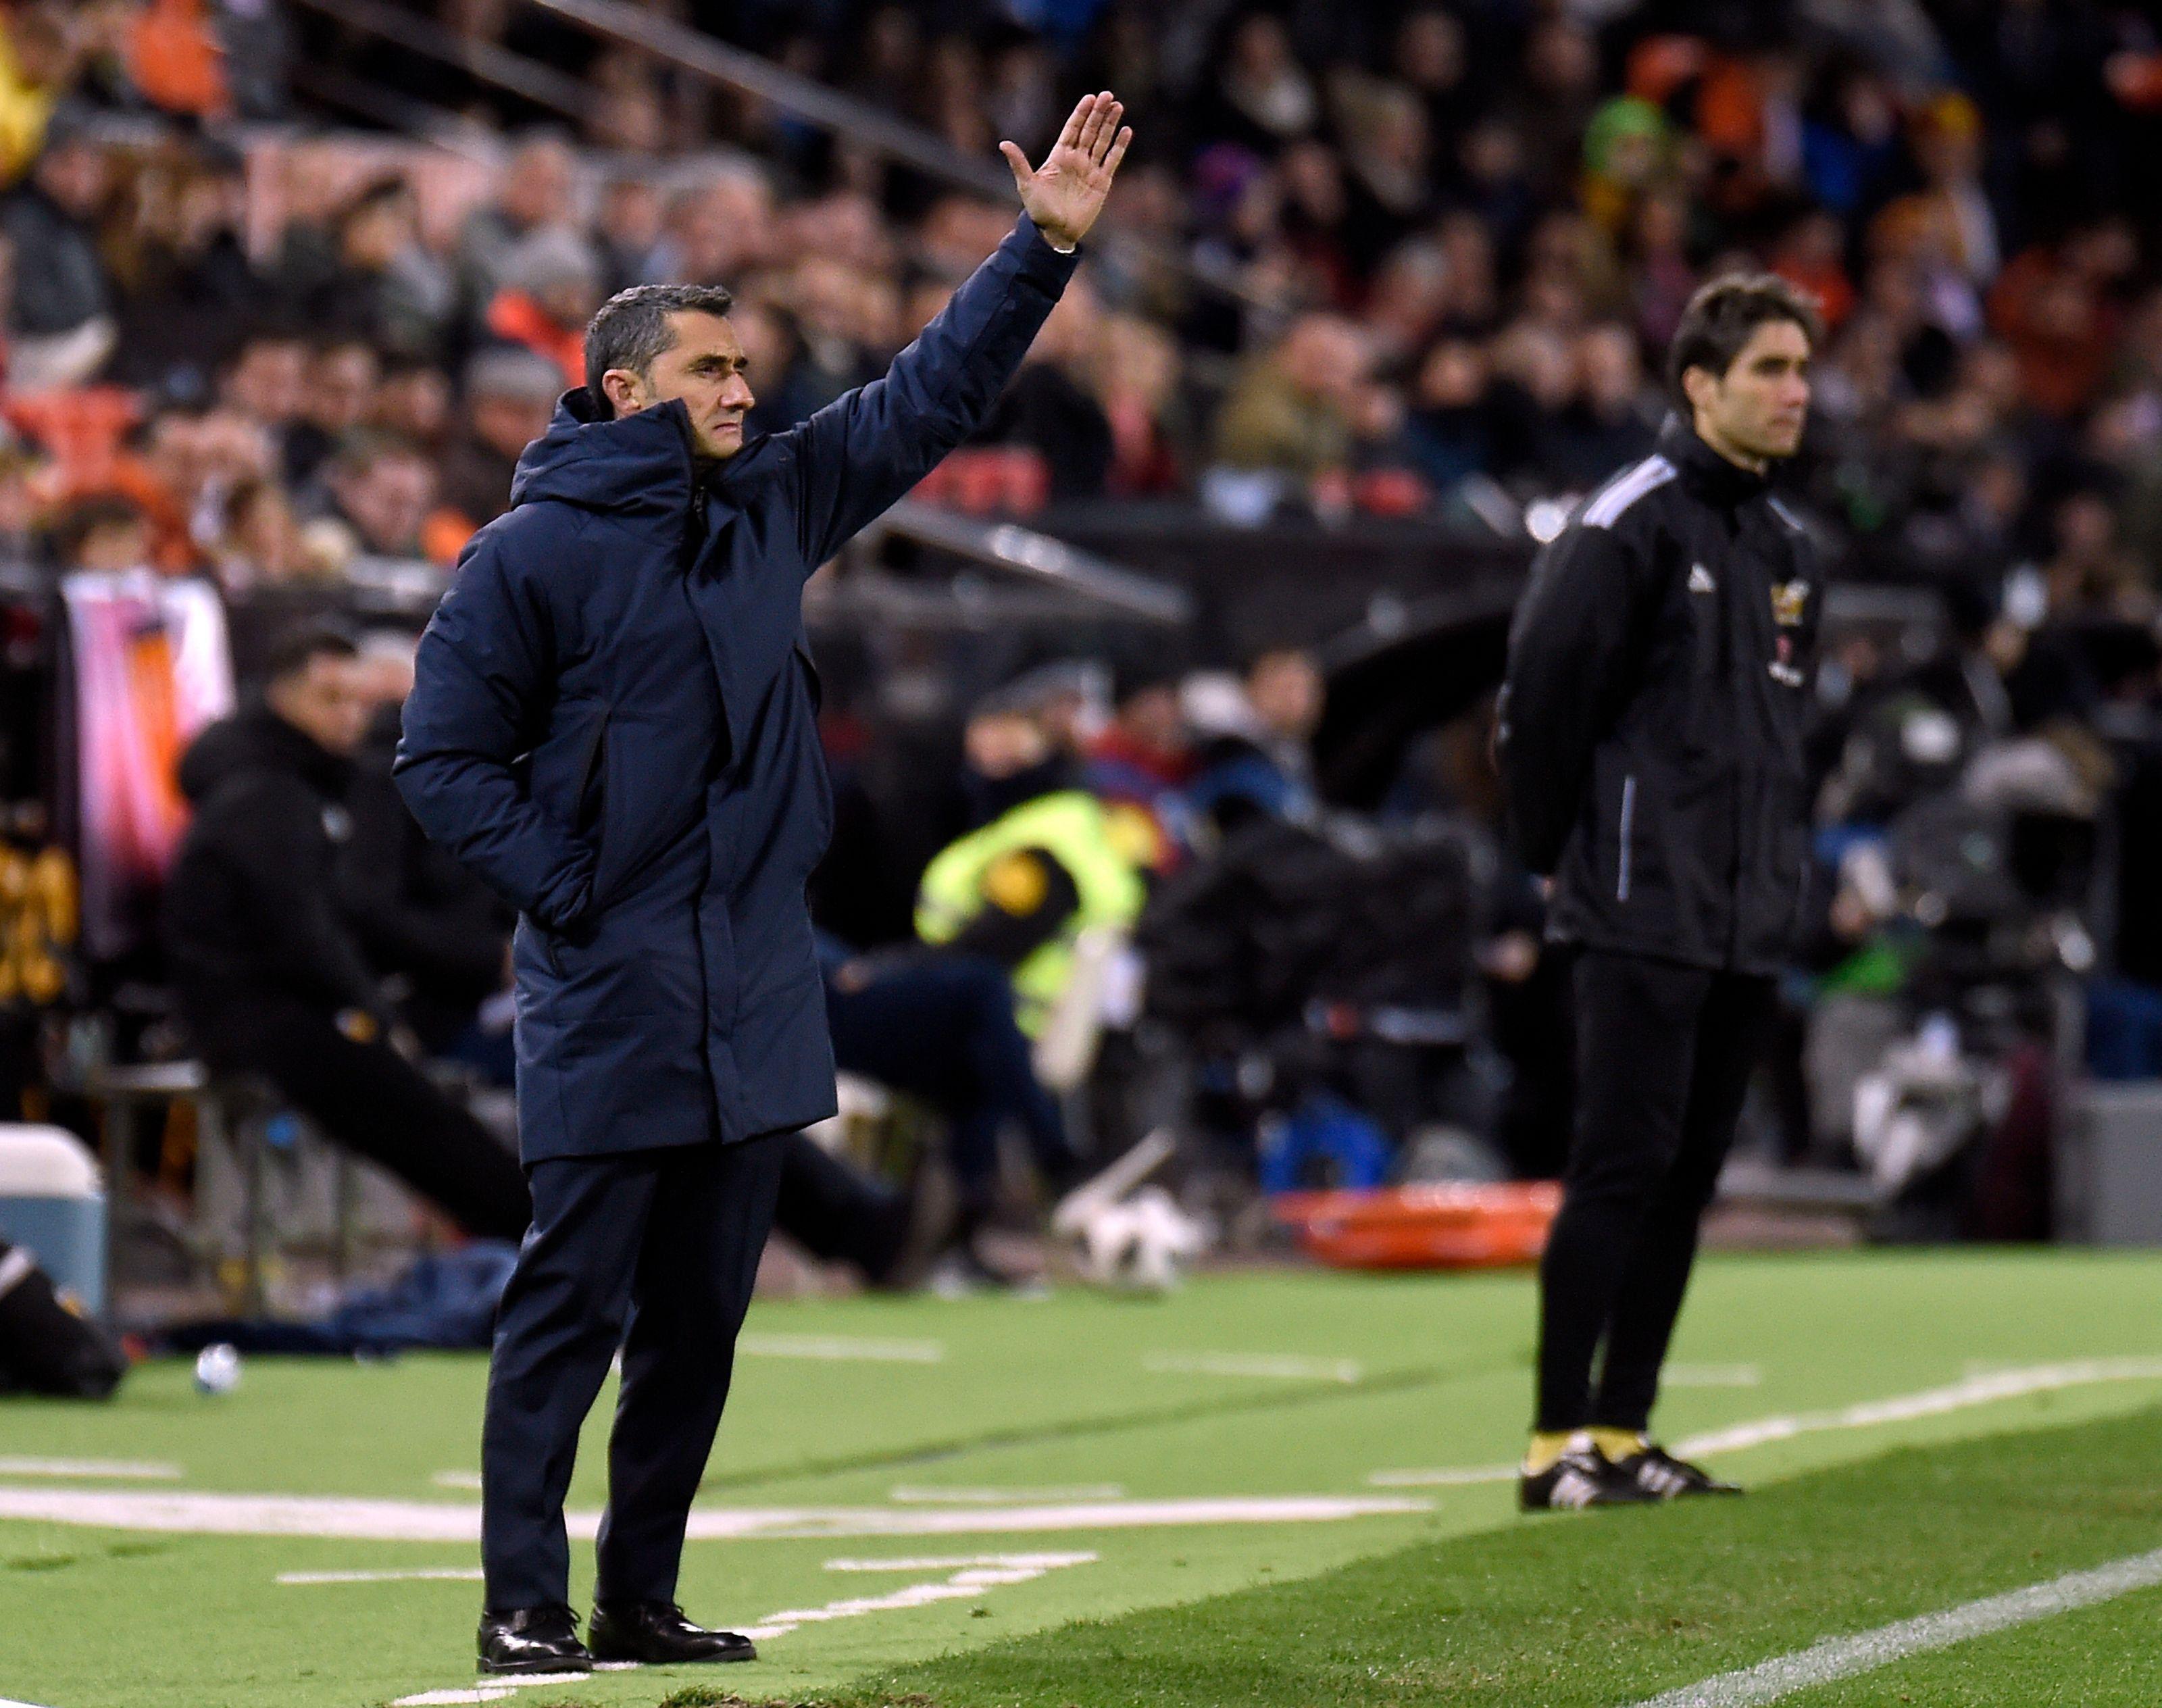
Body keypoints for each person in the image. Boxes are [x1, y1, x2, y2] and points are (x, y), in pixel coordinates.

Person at [394, 93, 1132, 1679]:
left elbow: (929, 397)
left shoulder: (770, 503)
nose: (744, 388)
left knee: (703, 1325)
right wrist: (572, 890)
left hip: (757, 974)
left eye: (743, 366)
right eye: (709, 369)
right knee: (567, 1314)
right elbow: (438, 760)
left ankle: (634, 1596)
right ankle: (522, 1600)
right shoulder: (523, 557)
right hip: (613, 982)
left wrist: (1041, 249)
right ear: (620, 389)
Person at [1498, 274, 1822, 1510]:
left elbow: (1787, 742)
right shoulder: (1625, 521)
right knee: (1618, 1165)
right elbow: (1540, 702)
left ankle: (1626, 1431)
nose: (1796, 392)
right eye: (1770, 371)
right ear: (1701, 382)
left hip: (1745, 912)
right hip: (1638, 899)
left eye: (1802, 369)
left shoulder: (1791, 551)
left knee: (1689, 1175)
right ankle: (1550, 1444)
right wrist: (1554, 852)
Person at [162, 624, 532, 1242]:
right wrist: (376, 1017)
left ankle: (530, 1239)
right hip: (260, 1017)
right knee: (418, 1115)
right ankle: (535, 1240)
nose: (350, 718)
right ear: (281, 696)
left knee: (424, 1114)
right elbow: (301, 934)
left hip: (274, 1009)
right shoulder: (266, 793)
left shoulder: (296, 783)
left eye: (359, 701)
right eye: (330, 698)